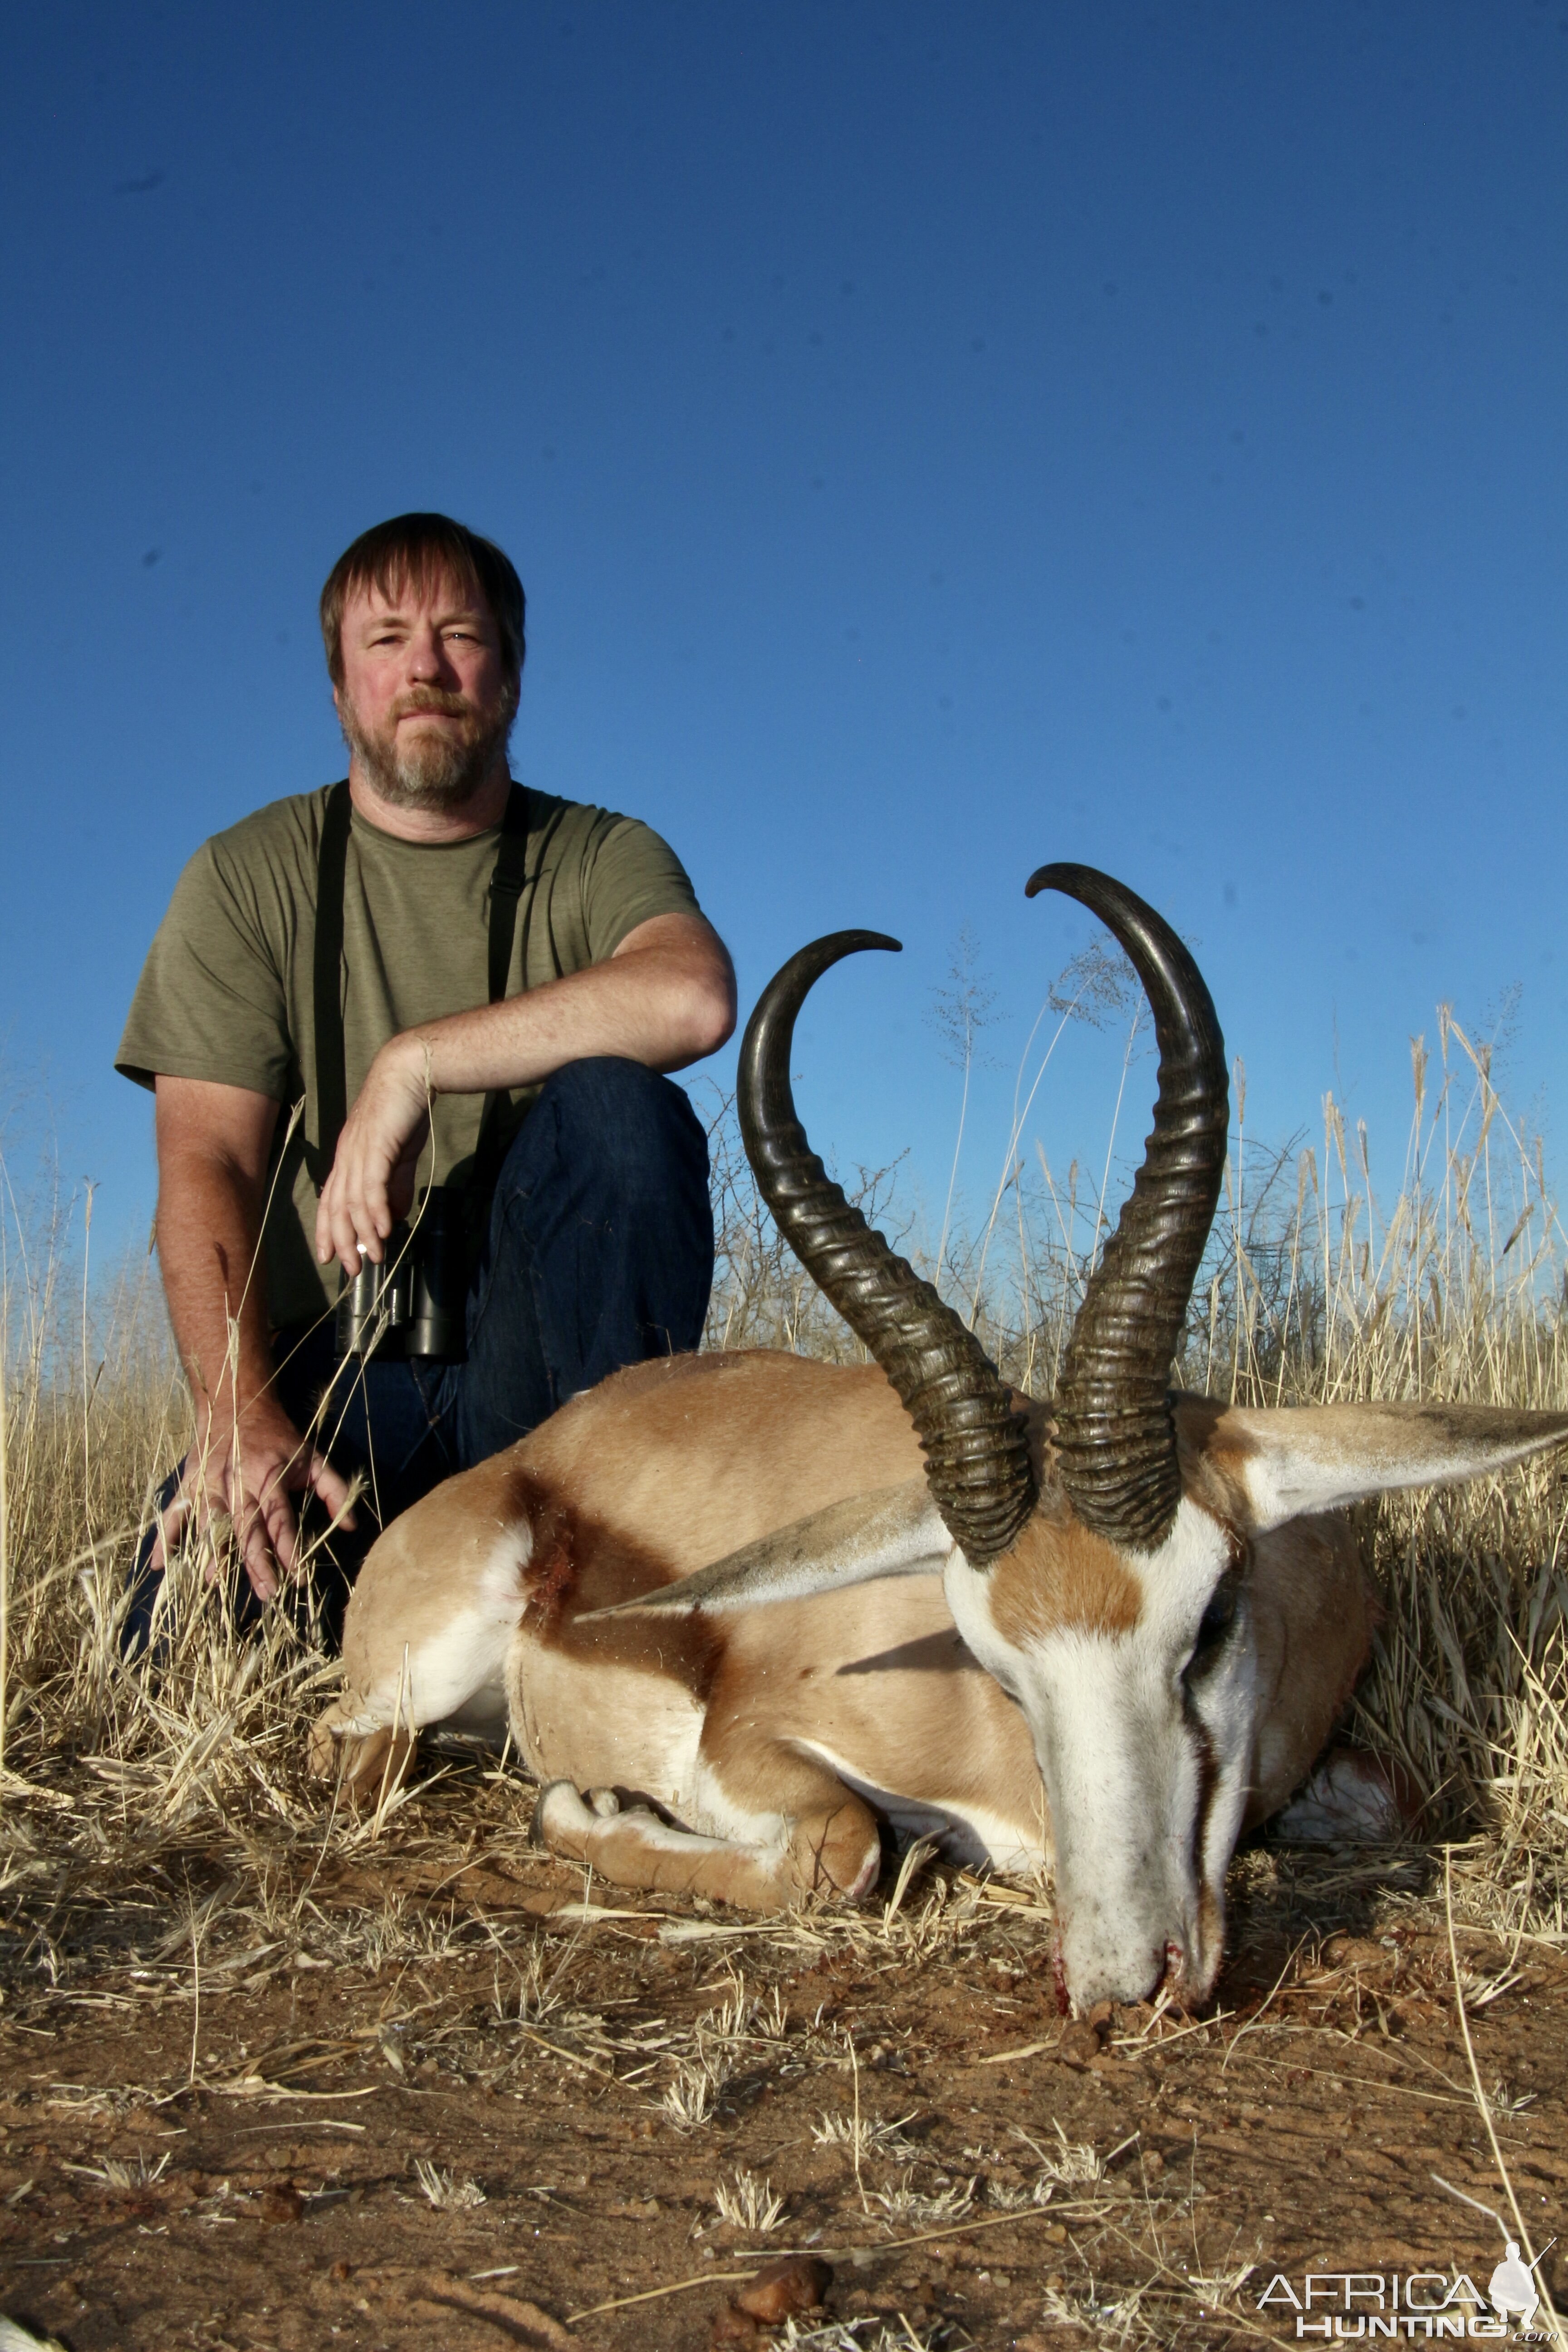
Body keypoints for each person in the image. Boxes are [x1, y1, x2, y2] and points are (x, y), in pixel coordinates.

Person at [118, 512, 735, 1648]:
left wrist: (417, 1064)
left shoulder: (599, 854)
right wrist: (238, 1418)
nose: (426, 668)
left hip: (543, 1390)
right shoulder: (246, 876)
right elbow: (205, 1159)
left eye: (461, 635)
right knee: (170, 1651)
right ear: (341, 684)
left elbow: (691, 997)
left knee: (622, 1106)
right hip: (345, 1379)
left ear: (508, 674)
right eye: (387, 638)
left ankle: (603, 1586)